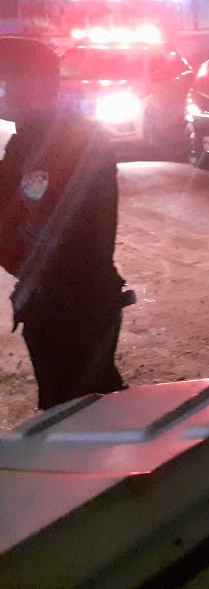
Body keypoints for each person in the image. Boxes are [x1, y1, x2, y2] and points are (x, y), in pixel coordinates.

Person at [0, 37, 126, 409]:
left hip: (71, 304)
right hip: (62, 298)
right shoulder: (33, 138)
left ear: (27, 83)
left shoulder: (64, 141)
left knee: (77, 410)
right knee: (85, 404)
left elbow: (45, 227)